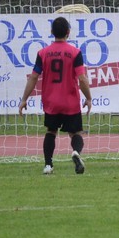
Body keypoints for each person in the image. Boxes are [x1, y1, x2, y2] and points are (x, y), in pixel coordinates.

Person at [19, 17, 93, 175]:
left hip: (51, 101)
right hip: (70, 101)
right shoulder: (75, 52)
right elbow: (82, 79)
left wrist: (24, 99)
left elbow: (33, 77)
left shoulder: (43, 53)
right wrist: (88, 98)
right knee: (75, 133)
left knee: (51, 131)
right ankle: (76, 153)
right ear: (68, 32)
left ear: (52, 32)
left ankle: (48, 165)